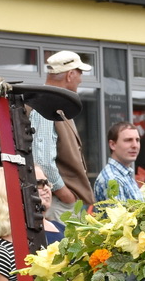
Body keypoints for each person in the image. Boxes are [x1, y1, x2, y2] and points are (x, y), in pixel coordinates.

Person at [29, 51, 95, 214]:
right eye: (80, 72)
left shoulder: (51, 102)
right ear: (70, 75)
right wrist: (66, 195)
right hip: (58, 203)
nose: (81, 79)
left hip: (59, 201)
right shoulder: (46, 104)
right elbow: (42, 162)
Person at [93, 122, 145, 203]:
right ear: (112, 145)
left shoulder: (124, 174)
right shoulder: (113, 178)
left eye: (137, 140)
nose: (135, 145)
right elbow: (119, 211)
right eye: (128, 140)